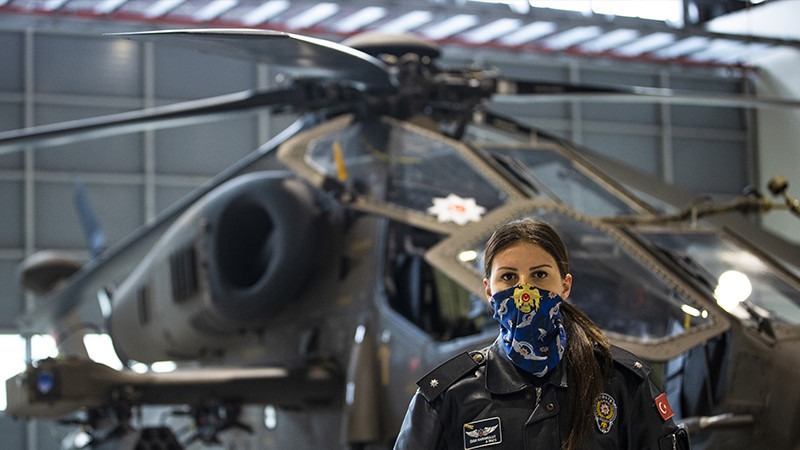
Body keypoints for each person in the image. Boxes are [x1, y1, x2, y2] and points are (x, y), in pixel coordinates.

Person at [394, 219, 690, 449]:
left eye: (539, 275)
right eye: (508, 277)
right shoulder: (448, 397)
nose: (524, 291)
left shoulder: (620, 384)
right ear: (488, 290)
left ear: (565, 285)